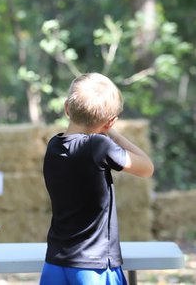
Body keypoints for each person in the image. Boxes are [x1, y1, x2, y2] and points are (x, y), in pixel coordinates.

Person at [39, 73, 154, 285]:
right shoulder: (99, 146)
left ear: (67, 108)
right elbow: (146, 168)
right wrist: (113, 134)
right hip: (93, 268)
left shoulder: (53, 145)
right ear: (109, 122)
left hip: (56, 262)